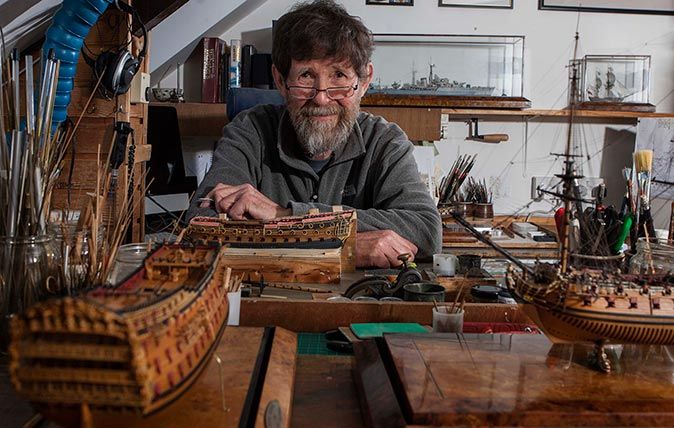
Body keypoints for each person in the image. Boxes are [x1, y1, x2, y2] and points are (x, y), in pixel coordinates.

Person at [186, 0, 441, 268]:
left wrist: (282, 216)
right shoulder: (249, 130)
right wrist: (347, 246)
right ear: (280, 81)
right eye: (306, 76)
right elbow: (202, 223)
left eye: (339, 76)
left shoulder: (386, 142)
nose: (321, 99)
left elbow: (426, 230)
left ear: (364, 82)